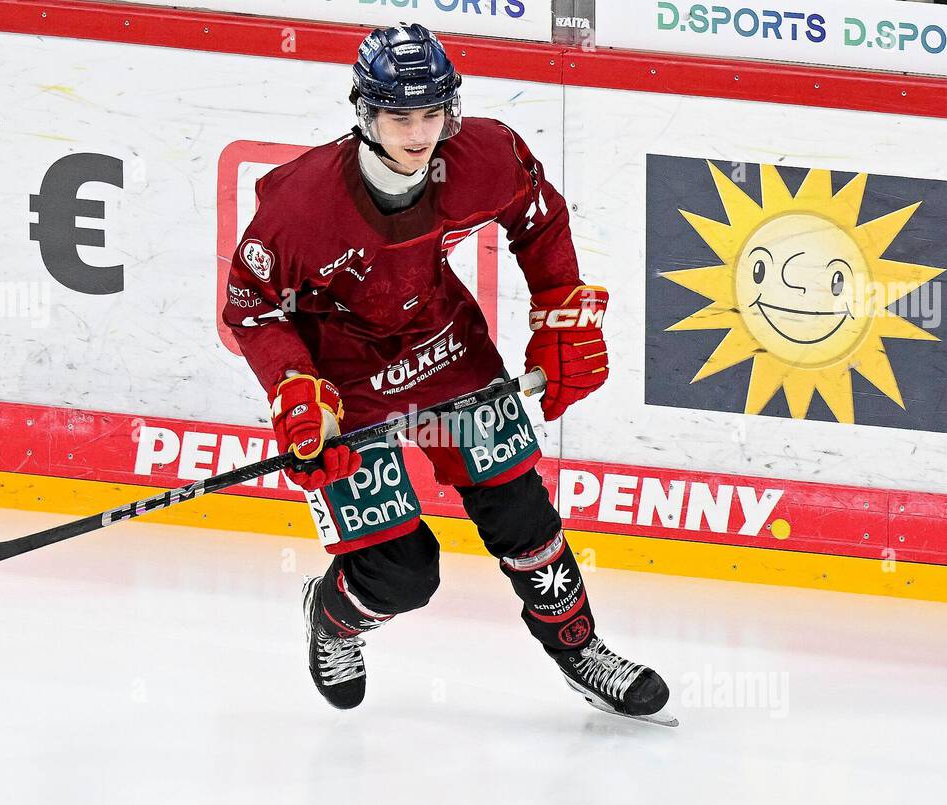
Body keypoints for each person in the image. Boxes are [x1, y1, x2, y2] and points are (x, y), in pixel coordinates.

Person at [221, 23, 673, 725]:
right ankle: (334, 617)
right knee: (402, 574)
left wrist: (561, 313)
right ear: (366, 113)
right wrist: (295, 389)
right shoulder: (300, 207)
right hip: (345, 377)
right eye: (401, 115)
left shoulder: (482, 154)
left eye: (432, 112)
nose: (420, 131)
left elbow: (538, 216)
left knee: (521, 511)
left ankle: (580, 651)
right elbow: (250, 309)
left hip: (443, 345)